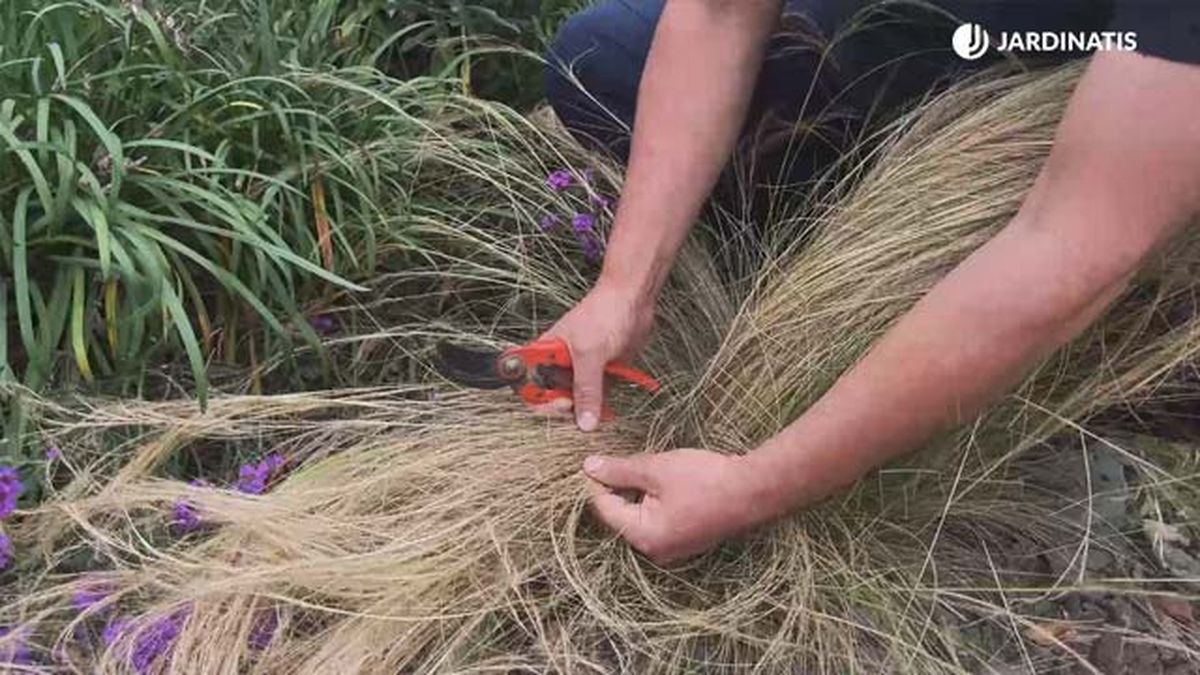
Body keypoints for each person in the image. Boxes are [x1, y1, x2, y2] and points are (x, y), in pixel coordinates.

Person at [540, 0, 1200, 565]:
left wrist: (752, 485)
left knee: (1106, 272)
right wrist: (624, 287)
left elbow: (1072, 244)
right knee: (606, 59)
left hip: (1135, 99)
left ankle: (1084, 378)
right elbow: (721, 13)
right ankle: (846, 285)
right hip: (974, 36)